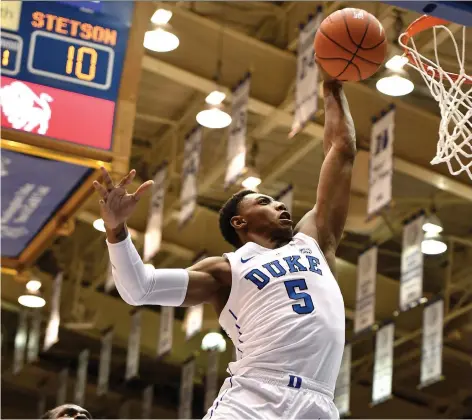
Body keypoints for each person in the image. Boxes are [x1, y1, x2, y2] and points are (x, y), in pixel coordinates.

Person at [93, 69, 355, 419]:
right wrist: (116, 228)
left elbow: (342, 149)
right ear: (239, 222)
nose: (279, 204)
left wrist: (332, 85)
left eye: (277, 201)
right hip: (255, 396)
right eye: (263, 202)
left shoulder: (315, 242)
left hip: (319, 403)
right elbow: (138, 289)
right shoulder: (226, 269)